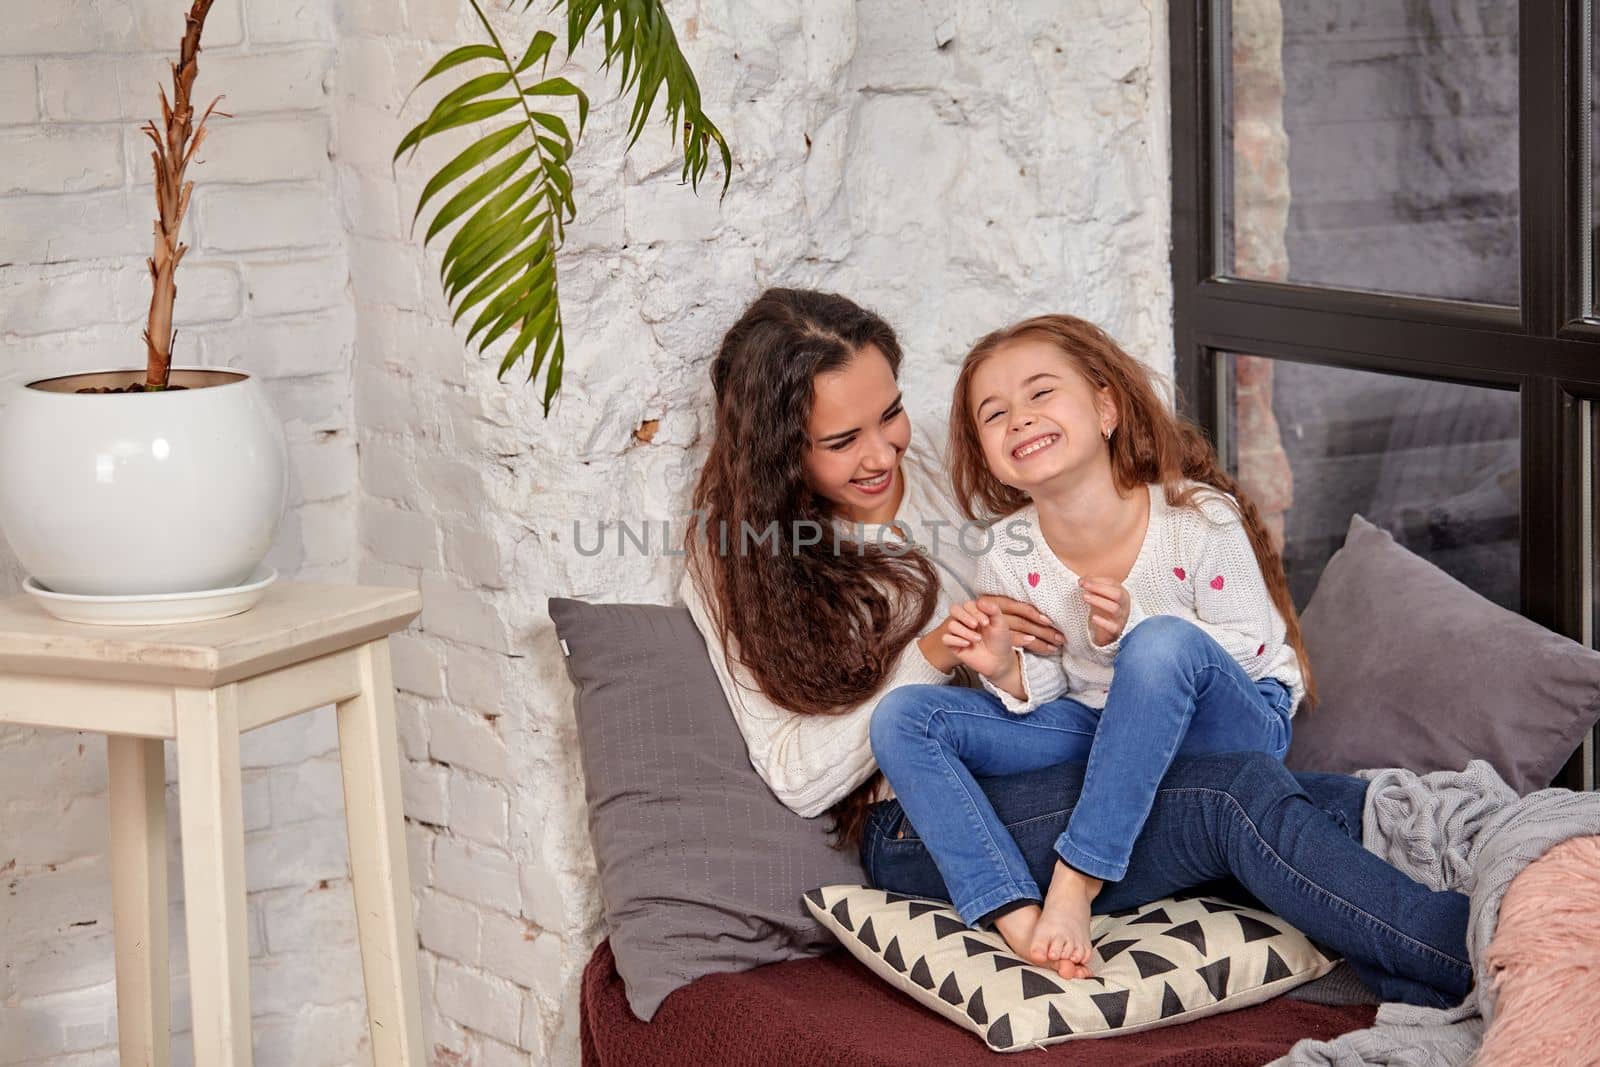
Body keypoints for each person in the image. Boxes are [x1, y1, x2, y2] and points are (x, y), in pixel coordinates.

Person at [679, 288, 1471, 1008]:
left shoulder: (931, 467)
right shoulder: (733, 561)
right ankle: (1460, 953)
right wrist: (936, 652)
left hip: (1056, 738)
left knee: (1296, 794)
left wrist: (1132, 581)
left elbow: (1082, 534)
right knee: (1234, 798)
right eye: (842, 439)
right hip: (936, 813)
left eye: (889, 412)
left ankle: (1426, 946)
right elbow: (793, 773)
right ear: (783, 453)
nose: (882, 454)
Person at [871, 314, 1310, 977]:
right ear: (986, 452)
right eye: (994, 413)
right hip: (1102, 725)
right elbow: (1056, 679)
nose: (1019, 418)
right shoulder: (1010, 549)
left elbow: (1251, 648)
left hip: (1234, 723)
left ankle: (1077, 880)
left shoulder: (1196, 516)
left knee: (1160, 646)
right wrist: (1006, 669)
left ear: (1106, 407)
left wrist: (1137, 627)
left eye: (1041, 392)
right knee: (902, 717)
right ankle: (1014, 911)